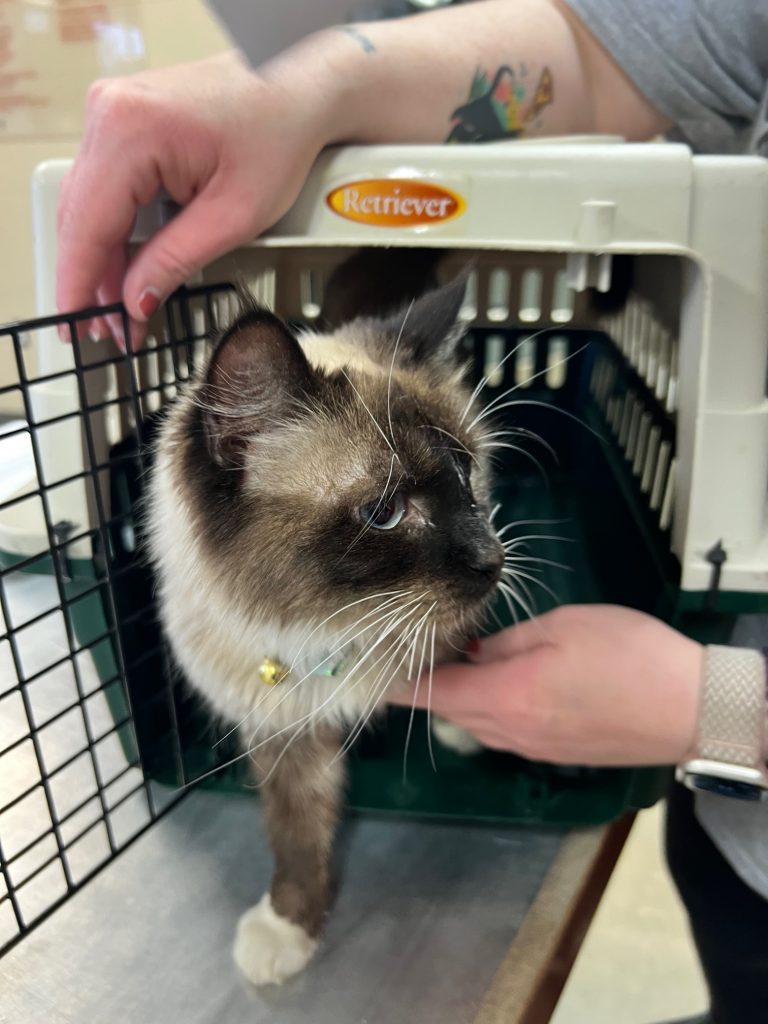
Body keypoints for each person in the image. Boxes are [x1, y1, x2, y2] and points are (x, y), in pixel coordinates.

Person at [55, 2, 768, 1021]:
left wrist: (720, 708)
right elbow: (600, 52)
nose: (488, 554)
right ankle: (300, 899)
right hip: (736, 848)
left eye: (468, 483)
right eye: (386, 509)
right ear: (240, 451)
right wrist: (309, 85)